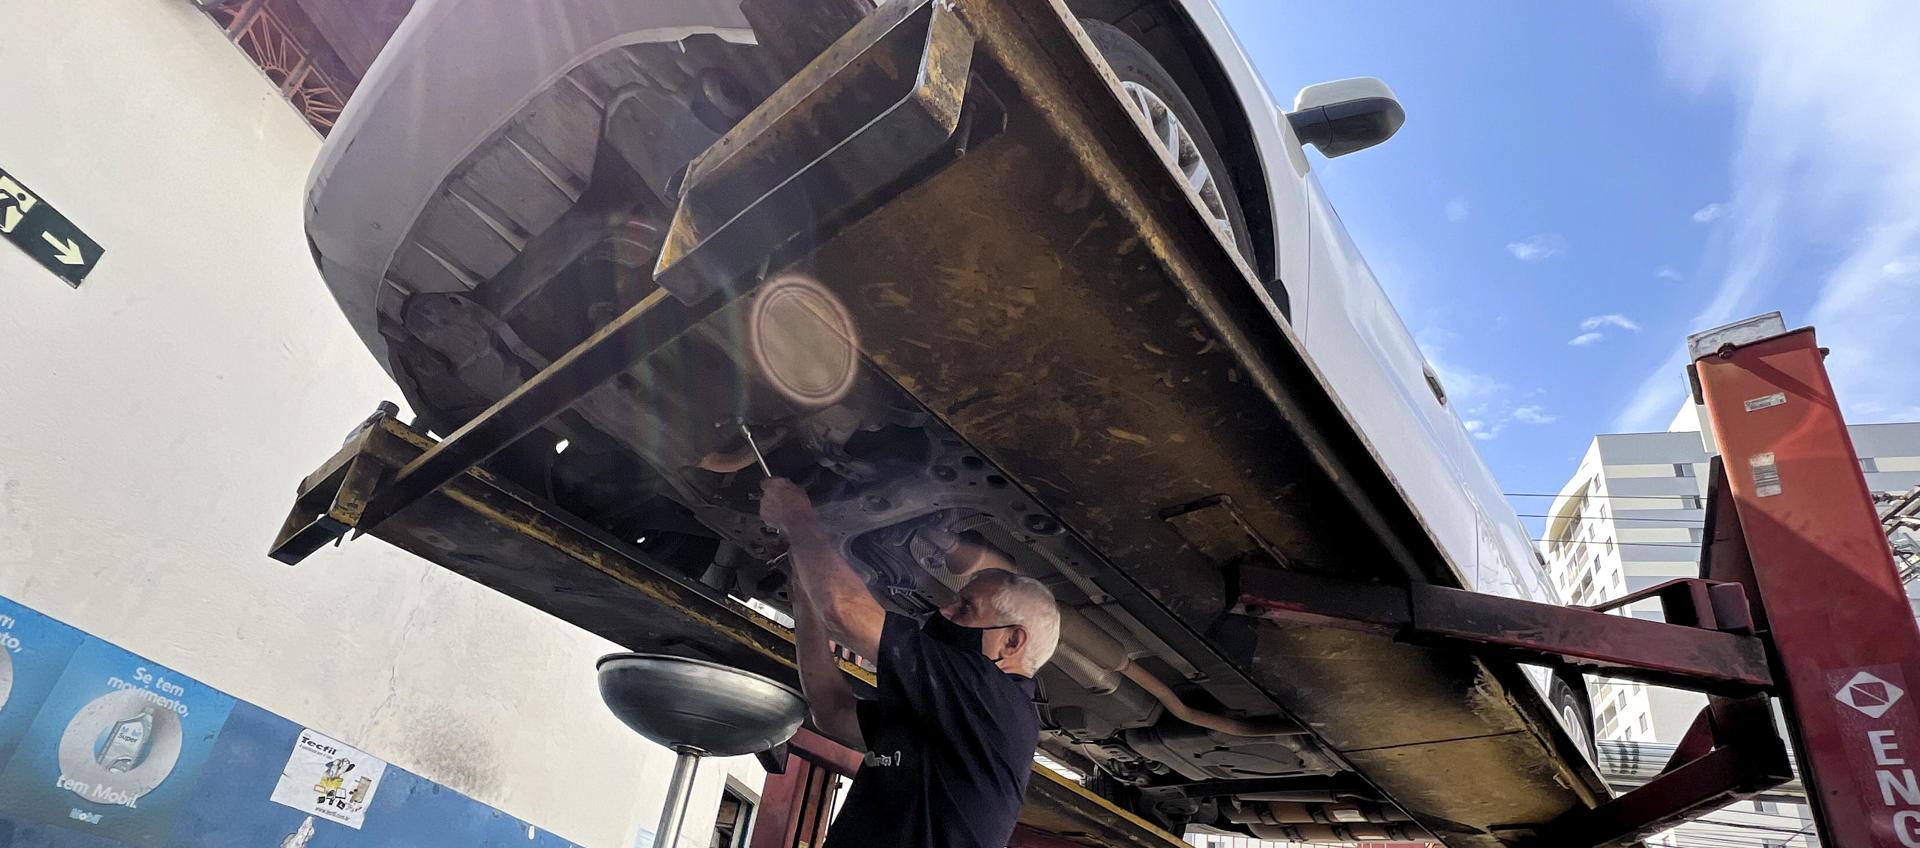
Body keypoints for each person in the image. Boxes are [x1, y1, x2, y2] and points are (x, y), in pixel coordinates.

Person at [758, 478, 1061, 848]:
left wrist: (798, 517)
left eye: (965, 607)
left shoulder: (994, 697)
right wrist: (801, 588)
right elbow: (833, 711)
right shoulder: (953, 715)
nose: (943, 610)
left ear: (1012, 641)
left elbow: (845, 611)